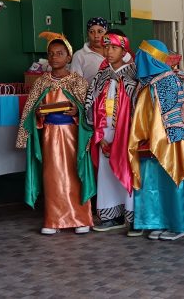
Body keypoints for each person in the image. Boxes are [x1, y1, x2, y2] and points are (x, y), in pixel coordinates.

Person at [16, 32, 95, 236]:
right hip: (50, 135)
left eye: (59, 53)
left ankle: (81, 218)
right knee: (52, 176)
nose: (54, 57)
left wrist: (77, 111)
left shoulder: (77, 81)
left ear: (69, 57)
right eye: (51, 54)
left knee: (75, 173)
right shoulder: (41, 82)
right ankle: (53, 220)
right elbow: (30, 110)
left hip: (73, 135)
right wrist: (38, 115)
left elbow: (89, 110)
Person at [128, 40, 184, 241]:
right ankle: (157, 221)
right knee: (151, 181)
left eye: (141, 55)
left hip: (167, 141)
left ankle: (177, 224)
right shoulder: (147, 83)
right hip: (149, 141)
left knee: (170, 180)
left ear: (150, 58)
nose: (137, 60)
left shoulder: (167, 80)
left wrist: (151, 137)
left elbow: (166, 115)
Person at [82, 30, 139, 234]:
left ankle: (134, 218)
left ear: (124, 50)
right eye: (106, 47)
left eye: (114, 47)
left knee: (128, 170)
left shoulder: (134, 74)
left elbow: (139, 107)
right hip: (104, 131)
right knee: (106, 175)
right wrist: (98, 133)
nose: (109, 51)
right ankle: (112, 216)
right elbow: (90, 102)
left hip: (127, 132)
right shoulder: (101, 75)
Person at [69, 17, 108, 83]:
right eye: (91, 32)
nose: (96, 36)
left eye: (100, 31)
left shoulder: (117, 51)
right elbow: (76, 84)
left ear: (107, 33)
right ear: (88, 34)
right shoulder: (79, 55)